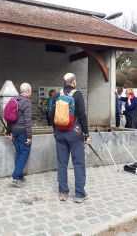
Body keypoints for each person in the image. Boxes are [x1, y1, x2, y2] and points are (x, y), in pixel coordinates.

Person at [51, 73, 91, 203]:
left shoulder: (57, 95)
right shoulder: (77, 94)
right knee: (78, 163)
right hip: (74, 133)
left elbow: (51, 114)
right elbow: (82, 115)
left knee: (62, 163)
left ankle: (63, 192)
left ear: (64, 82)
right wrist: (86, 134)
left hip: (60, 133)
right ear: (73, 81)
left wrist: (55, 131)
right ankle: (79, 194)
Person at [8, 83, 33, 187]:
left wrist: (9, 132)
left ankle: (20, 176)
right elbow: (28, 120)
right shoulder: (26, 102)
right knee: (24, 153)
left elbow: (8, 119)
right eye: (30, 90)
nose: (31, 92)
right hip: (23, 132)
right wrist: (29, 136)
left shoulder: (13, 100)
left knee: (18, 152)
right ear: (27, 91)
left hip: (14, 131)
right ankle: (15, 176)